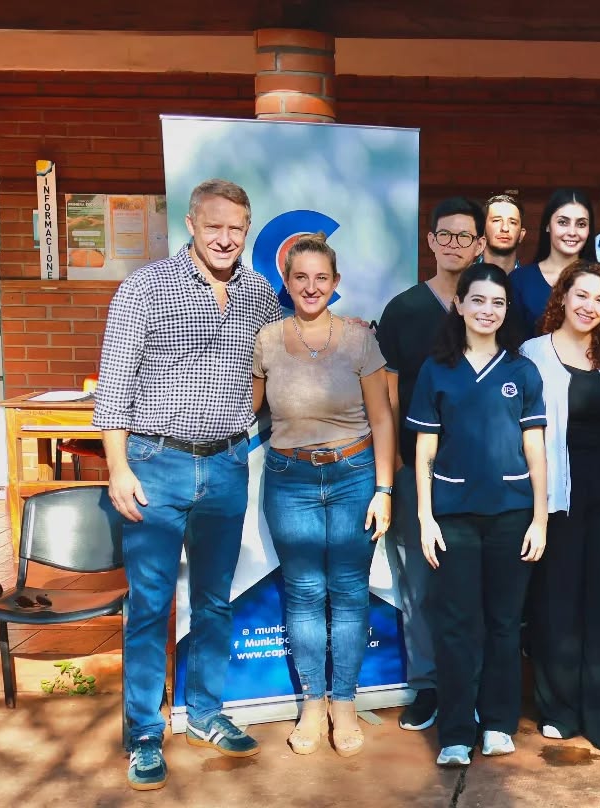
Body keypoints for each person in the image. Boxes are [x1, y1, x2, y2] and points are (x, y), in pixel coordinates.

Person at [94, 178, 281, 790]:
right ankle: (145, 734)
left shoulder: (258, 294)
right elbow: (114, 387)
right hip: (156, 465)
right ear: (192, 226)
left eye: (236, 229)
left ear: (247, 231)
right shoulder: (145, 288)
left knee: (214, 601)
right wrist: (118, 468)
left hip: (226, 466)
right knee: (150, 606)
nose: (225, 239)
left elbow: (274, 363)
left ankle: (203, 712)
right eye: (214, 226)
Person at [251, 234, 394, 758]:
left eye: (321, 278)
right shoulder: (267, 339)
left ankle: (345, 703)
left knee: (350, 592)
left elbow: (383, 418)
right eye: (300, 278)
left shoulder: (358, 339)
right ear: (286, 283)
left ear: (335, 283)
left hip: (354, 475)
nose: (311, 287)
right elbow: (245, 409)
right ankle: (313, 703)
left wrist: (384, 488)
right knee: (305, 592)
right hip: (289, 478)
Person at [405, 262, 548, 767]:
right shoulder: (436, 369)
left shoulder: (521, 371)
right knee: (457, 624)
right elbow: (425, 449)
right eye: (479, 300)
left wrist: (540, 519)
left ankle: (497, 724)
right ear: (459, 305)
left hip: (512, 513)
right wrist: (426, 518)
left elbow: (536, 449)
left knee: (504, 623)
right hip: (454, 517)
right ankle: (456, 732)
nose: (488, 310)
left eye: (498, 303)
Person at [521, 262, 600, 756]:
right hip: (557, 498)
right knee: (558, 603)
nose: (589, 306)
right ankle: (560, 710)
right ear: (563, 297)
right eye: (581, 295)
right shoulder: (532, 354)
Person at [376, 196, 487, 733]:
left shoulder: (492, 303)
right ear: (430, 241)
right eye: (445, 234)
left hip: (481, 473)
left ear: (481, 244)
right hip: (416, 467)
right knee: (420, 582)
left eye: (465, 236)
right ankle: (427, 684)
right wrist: (398, 463)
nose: (454, 244)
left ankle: (474, 686)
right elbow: (390, 393)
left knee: (475, 585)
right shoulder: (404, 310)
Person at [509, 188, 598, 338]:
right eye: (563, 222)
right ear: (547, 225)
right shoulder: (520, 280)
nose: (572, 232)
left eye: (581, 224)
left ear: (589, 230)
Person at [483, 193, 526, 272]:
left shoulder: (531, 278)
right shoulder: (464, 276)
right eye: (496, 220)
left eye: (512, 222)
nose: (505, 228)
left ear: (521, 234)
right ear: (483, 229)